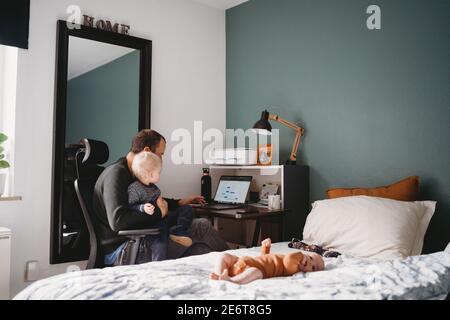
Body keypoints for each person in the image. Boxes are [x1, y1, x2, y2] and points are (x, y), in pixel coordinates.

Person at [93, 129, 229, 266]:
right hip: (123, 250)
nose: (161, 159)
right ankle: (238, 264)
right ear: (147, 151)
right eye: (160, 154)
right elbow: (118, 221)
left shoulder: (134, 173)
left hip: (140, 240)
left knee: (202, 250)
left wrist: (179, 202)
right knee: (202, 226)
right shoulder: (116, 175)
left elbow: (150, 200)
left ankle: (230, 270)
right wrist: (159, 213)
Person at [128, 151, 194, 249]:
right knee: (161, 233)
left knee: (187, 209)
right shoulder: (135, 189)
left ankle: (178, 231)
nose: (160, 174)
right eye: (158, 172)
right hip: (156, 220)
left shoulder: (152, 187)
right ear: (148, 174)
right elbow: (130, 206)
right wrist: (143, 207)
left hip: (165, 215)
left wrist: (165, 204)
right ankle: (169, 237)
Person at [210, 238, 324, 284]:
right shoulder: (294, 260)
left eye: (313, 268)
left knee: (256, 272)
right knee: (223, 256)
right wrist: (266, 249)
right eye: (311, 258)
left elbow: (289, 259)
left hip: (250, 269)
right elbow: (264, 259)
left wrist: (301, 256)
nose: (310, 263)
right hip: (244, 261)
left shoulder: (293, 268)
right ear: (307, 254)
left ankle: (232, 280)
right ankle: (219, 275)